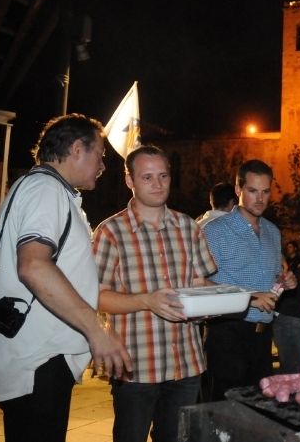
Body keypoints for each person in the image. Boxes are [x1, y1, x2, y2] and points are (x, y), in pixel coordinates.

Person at [0, 113, 132, 442]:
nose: (103, 166)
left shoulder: (43, 189)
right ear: (77, 149)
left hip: (38, 358)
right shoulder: (45, 190)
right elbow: (33, 265)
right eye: (99, 155)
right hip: (39, 361)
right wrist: (96, 330)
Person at [92, 144, 218, 442]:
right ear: (129, 181)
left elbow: (200, 284)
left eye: (163, 176)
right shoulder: (110, 232)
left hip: (186, 363)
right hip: (136, 366)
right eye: (147, 177)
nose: (157, 184)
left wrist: (240, 295)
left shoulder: (188, 226)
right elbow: (95, 296)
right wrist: (146, 301)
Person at [202, 159, 296, 399]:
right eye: (253, 191)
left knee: (256, 411)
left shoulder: (273, 232)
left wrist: (284, 282)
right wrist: (250, 298)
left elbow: (271, 281)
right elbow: (200, 284)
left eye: (265, 191)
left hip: (263, 335)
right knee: (223, 411)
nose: (260, 198)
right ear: (238, 190)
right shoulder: (215, 231)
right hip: (227, 333)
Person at [273, 241, 300, 374]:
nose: (288, 249)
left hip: (288, 312)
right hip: (286, 313)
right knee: (292, 368)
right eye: (287, 246)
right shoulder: (285, 262)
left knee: (293, 367)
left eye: (291, 246)